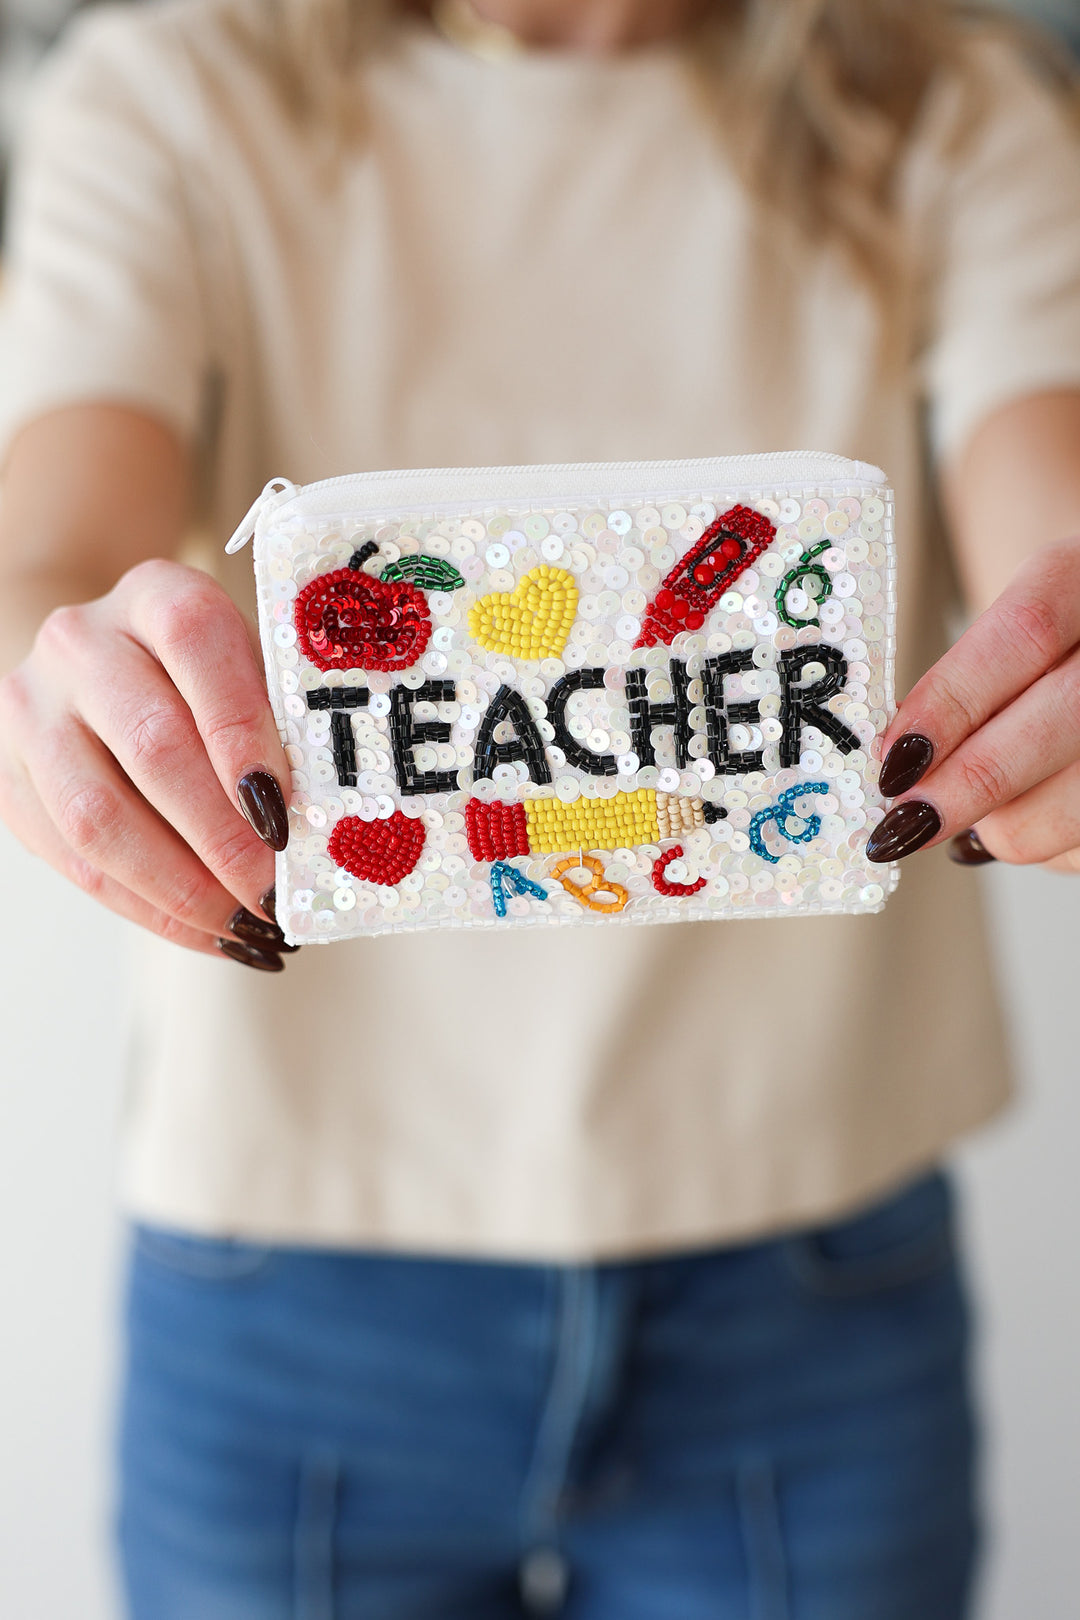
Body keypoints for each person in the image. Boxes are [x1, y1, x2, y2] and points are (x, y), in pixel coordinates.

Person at [0, 0, 1078, 1614]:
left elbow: (1044, 499)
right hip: (295, 1266)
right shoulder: (166, 89)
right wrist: (56, 664)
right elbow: (55, 535)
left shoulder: (952, 103)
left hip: (810, 1257)